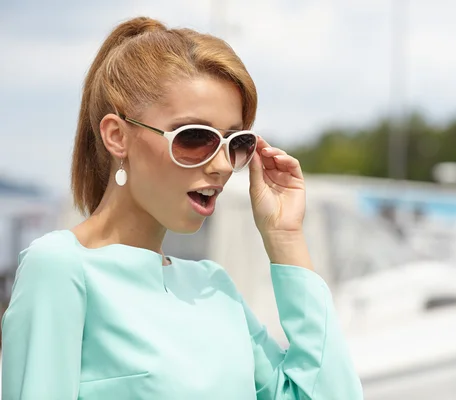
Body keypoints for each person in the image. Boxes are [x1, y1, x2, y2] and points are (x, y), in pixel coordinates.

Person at [1, 17, 363, 400]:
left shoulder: (213, 287)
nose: (223, 164)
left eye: (235, 142)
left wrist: (284, 236)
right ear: (117, 136)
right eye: (194, 138)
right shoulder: (61, 268)